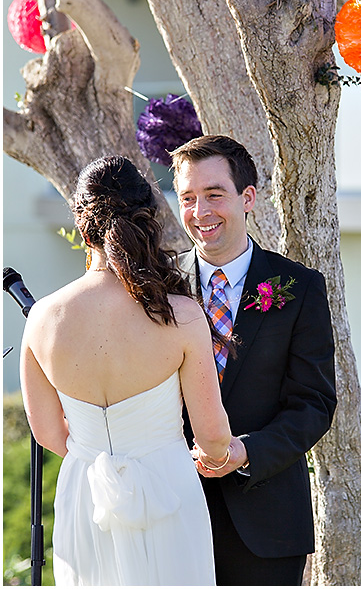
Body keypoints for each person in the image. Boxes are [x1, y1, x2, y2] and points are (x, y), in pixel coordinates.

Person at [19, 155, 231, 585]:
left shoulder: (41, 318)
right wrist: (217, 456)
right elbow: (211, 436)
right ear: (148, 216)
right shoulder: (182, 316)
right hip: (169, 491)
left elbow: (49, 435)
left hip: (86, 497)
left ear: (83, 225)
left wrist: (101, 455)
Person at [170, 134, 336, 586]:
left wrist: (246, 451)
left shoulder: (298, 287)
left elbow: (314, 403)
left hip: (267, 523)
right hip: (172, 515)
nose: (200, 212)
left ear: (248, 198)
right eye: (188, 198)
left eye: (214, 195)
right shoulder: (160, 289)